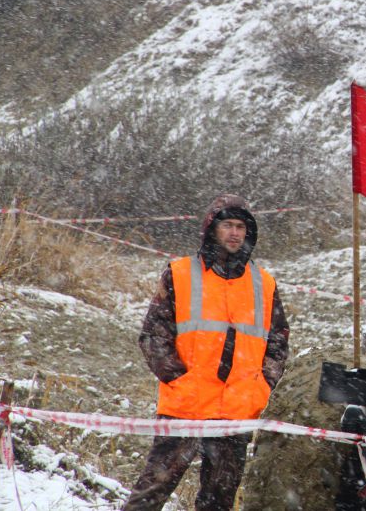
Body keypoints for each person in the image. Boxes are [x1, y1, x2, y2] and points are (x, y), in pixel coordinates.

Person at [124, 194, 289, 511]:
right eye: (228, 225)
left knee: (219, 502)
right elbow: (154, 334)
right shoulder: (180, 273)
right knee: (151, 493)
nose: (235, 233)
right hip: (186, 404)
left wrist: (260, 386)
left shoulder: (264, 283)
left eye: (240, 226)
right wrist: (179, 380)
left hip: (237, 411)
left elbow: (278, 341)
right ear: (212, 228)